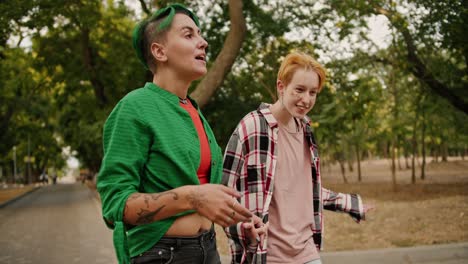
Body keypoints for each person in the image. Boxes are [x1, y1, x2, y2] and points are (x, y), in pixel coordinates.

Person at [97, 3, 253, 264]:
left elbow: (207, 195)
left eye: (200, 34)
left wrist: (242, 220)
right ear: (159, 51)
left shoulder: (193, 110)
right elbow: (115, 204)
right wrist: (191, 197)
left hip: (208, 250)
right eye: (188, 34)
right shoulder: (134, 107)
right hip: (163, 254)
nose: (203, 42)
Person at [222, 51, 374, 264]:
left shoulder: (306, 131)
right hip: (267, 254)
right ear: (281, 86)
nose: (306, 100)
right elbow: (224, 190)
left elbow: (305, 189)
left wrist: (347, 202)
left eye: (313, 92)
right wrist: (242, 228)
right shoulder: (253, 127)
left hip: (306, 251)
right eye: (300, 90)